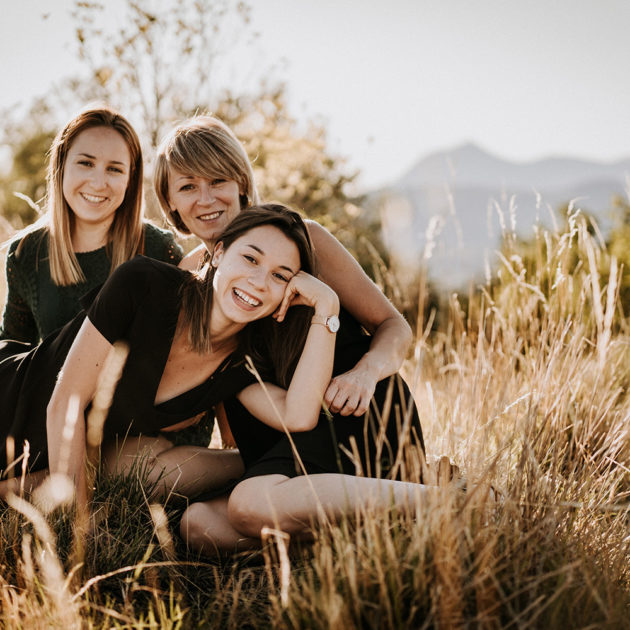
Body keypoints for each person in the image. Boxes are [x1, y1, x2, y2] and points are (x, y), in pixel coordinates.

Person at [0, 206, 321, 501]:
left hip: (47, 458)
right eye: (251, 259)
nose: (259, 281)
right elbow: (65, 401)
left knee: (138, 456)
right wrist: (83, 524)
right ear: (219, 253)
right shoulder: (144, 284)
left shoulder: (243, 361)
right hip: (8, 397)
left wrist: (326, 310)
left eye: (280, 275)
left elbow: (298, 415)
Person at [152, 116, 420, 460]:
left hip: (355, 413)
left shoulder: (304, 240)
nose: (205, 199)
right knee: (203, 516)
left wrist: (365, 374)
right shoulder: (187, 275)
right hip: (273, 436)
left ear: (242, 185)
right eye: (188, 187)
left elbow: (395, 327)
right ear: (169, 200)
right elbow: (220, 378)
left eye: (218, 180)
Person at [0, 105, 183, 344]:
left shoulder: (158, 248)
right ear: (61, 166)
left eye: (114, 169)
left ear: (130, 179)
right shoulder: (25, 252)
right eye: (86, 163)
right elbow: (10, 353)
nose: (98, 183)